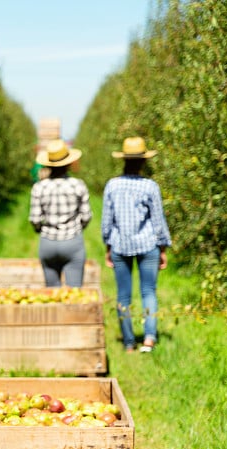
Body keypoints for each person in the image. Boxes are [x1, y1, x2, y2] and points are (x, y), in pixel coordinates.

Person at [101, 136, 172, 353]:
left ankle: (129, 342)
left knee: (124, 295)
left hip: (120, 245)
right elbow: (157, 220)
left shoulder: (112, 185)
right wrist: (162, 247)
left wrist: (107, 245)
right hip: (147, 243)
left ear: (123, 160)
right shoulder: (150, 186)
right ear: (143, 162)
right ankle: (149, 339)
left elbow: (107, 221)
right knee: (148, 291)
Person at [28, 139, 93, 287]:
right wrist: (77, 228)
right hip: (72, 241)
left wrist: (40, 229)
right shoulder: (78, 185)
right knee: (74, 294)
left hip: (48, 243)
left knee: (52, 294)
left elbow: (35, 219)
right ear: (68, 163)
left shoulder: (39, 187)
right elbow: (86, 216)